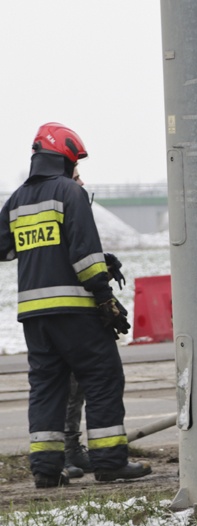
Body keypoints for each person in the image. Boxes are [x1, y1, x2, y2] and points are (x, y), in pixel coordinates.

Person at [0, 122, 151, 488]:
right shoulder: (70, 192)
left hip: (34, 317)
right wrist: (105, 298)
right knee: (102, 378)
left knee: (46, 388)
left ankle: (46, 471)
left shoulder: (18, 199)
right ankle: (110, 462)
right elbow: (85, 256)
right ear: (65, 160)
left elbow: (3, 248)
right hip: (75, 311)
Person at [62, 167, 129, 479]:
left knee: (75, 386)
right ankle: (69, 453)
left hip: (72, 311)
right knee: (71, 385)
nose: (82, 182)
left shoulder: (70, 210)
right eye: (77, 176)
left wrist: (104, 263)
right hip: (72, 313)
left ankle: (71, 452)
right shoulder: (65, 207)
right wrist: (104, 293)